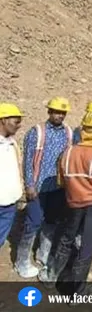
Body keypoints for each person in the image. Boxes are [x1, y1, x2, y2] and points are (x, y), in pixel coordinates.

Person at [38, 110, 92, 296]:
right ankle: (77, 292)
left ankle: (51, 276)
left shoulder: (68, 152)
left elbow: (60, 181)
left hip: (73, 203)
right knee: (87, 248)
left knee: (66, 240)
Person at [15, 97, 73, 278]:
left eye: (62, 112)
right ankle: (22, 260)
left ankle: (43, 254)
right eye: (56, 112)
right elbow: (27, 161)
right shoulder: (37, 132)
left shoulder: (68, 132)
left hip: (57, 187)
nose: (59, 115)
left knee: (51, 221)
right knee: (33, 222)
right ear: (49, 112)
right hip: (38, 187)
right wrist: (29, 185)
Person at [0, 104, 24, 250]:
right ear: (3, 120)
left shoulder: (12, 143)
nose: (19, 126)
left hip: (10, 203)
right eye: (16, 122)